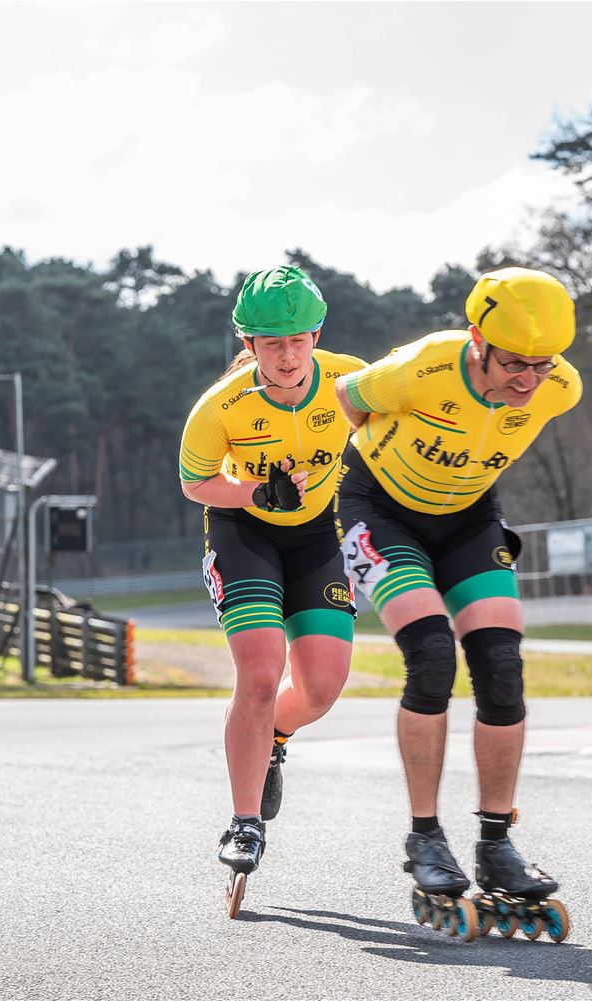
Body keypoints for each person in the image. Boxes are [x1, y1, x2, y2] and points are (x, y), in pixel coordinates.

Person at [332, 266, 582, 905]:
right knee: (432, 654)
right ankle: (424, 837)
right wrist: (393, 452)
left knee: (500, 666)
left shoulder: (562, 389)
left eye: (542, 365)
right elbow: (348, 396)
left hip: (468, 517)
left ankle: (496, 844)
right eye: (514, 364)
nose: (528, 381)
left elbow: (533, 389)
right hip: (379, 508)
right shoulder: (426, 365)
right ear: (477, 340)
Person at [178, 265, 366, 898]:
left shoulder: (352, 382)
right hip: (245, 532)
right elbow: (195, 483)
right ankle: (245, 821)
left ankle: (275, 737)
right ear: (248, 343)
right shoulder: (221, 406)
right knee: (260, 675)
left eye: (297, 341)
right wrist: (255, 491)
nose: (287, 357)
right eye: (271, 344)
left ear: (317, 336)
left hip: (317, 535)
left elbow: (395, 438)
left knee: (322, 686)